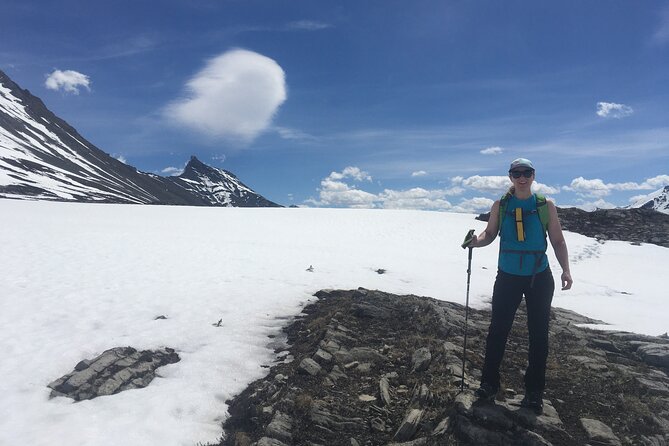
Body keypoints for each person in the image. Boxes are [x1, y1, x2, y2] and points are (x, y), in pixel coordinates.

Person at [466, 158, 573, 414]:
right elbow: (489, 233)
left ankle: (534, 392)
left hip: (539, 275)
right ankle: (488, 384)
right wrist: (475, 241)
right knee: (497, 331)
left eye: (526, 173)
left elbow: (557, 240)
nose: (522, 177)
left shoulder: (545, 205)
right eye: (517, 173)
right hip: (508, 275)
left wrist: (566, 269)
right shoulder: (501, 205)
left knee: (538, 335)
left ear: (533, 175)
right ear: (511, 176)